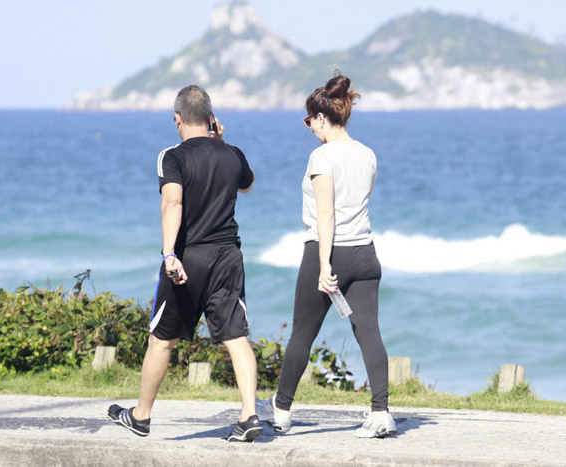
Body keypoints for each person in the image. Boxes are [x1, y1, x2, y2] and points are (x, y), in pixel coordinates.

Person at [107, 85, 262, 442]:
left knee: (162, 340)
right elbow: (248, 185)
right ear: (211, 119)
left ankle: (141, 416)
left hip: (189, 256)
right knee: (236, 337)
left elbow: (172, 203)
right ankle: (250, 414)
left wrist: (168, 254)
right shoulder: (232, 153)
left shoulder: (171, 157)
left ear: (177, 119)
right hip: (227, 254)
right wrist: (223, 142)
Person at [256, 73, 397, 438]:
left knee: (302, 333)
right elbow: (360, 203)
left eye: (309, 122)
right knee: (370, 334)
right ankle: (380, 412)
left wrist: (323, 266)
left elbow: (326, 214)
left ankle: (282, 410)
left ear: (321, 117)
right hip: (365, 254)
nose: (309, 129)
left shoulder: (321, 155)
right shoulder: (368, 154)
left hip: (330, 252)